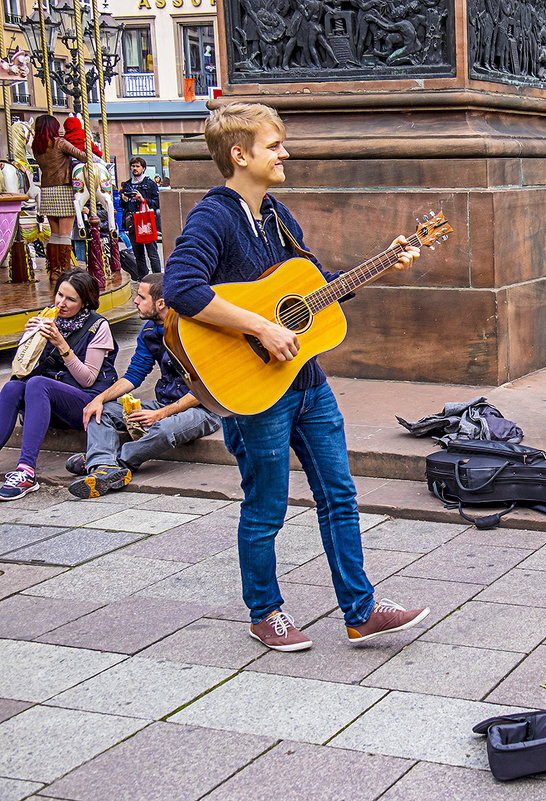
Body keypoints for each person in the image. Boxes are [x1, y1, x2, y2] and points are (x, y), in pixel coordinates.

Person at [163, 102, 429, 652]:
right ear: (240, 155)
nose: (285, 153)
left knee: (340, 495)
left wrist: (382, 262)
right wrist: (260, 327)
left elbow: (310, 294)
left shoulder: (279, 215)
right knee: (267, 507)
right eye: (273, 145)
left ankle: (360, 611)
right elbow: (181, 288)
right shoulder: (214, 217)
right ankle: (265, 613)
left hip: (306, 380)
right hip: (253, 389)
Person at [67, 274, 222, 499]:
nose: (135, 301)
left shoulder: (194, 330)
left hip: (203, 410)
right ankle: (103, 464)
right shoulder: (149, 331)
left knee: (165, 429)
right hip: (164, 403)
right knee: (101, 412)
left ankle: (113, 461)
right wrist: (99, 399)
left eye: (141, 297)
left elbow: (204, 390)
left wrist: (160, 414)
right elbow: (133, 376)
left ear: (160, 303)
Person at [0, 269, 118, 500]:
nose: (61, 303)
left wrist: (62, 345)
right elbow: (22, 373)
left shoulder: (98, 326)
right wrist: (29, 341)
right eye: (59, 295)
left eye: (71, 299)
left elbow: (87, 379)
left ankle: (26, 472)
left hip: (86, 404)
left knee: (38, 384)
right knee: (13, 387)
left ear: (85, 302)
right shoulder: (48, 319)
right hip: (47, 399)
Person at [31, 115, 88, 282]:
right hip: (63, 189)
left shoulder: (37, 146)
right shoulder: (59, 142)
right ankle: (64, 270)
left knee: (54, 234)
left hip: (47, 191)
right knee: (65, 234)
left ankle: (54, 270)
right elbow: (83, 156)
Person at [120, 157, 162, 277]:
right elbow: (122, 205)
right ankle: (143, 278)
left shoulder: (150, 184)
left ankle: (157, 278)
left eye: (137, 166)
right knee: (138, 254)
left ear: (143, 168)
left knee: (152, 253)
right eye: (133, 166)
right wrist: (124, 200)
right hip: (132, 221)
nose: (135, 168)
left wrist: (142, 199)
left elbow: (157, 202)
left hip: (146, 220)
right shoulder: (127, 185)